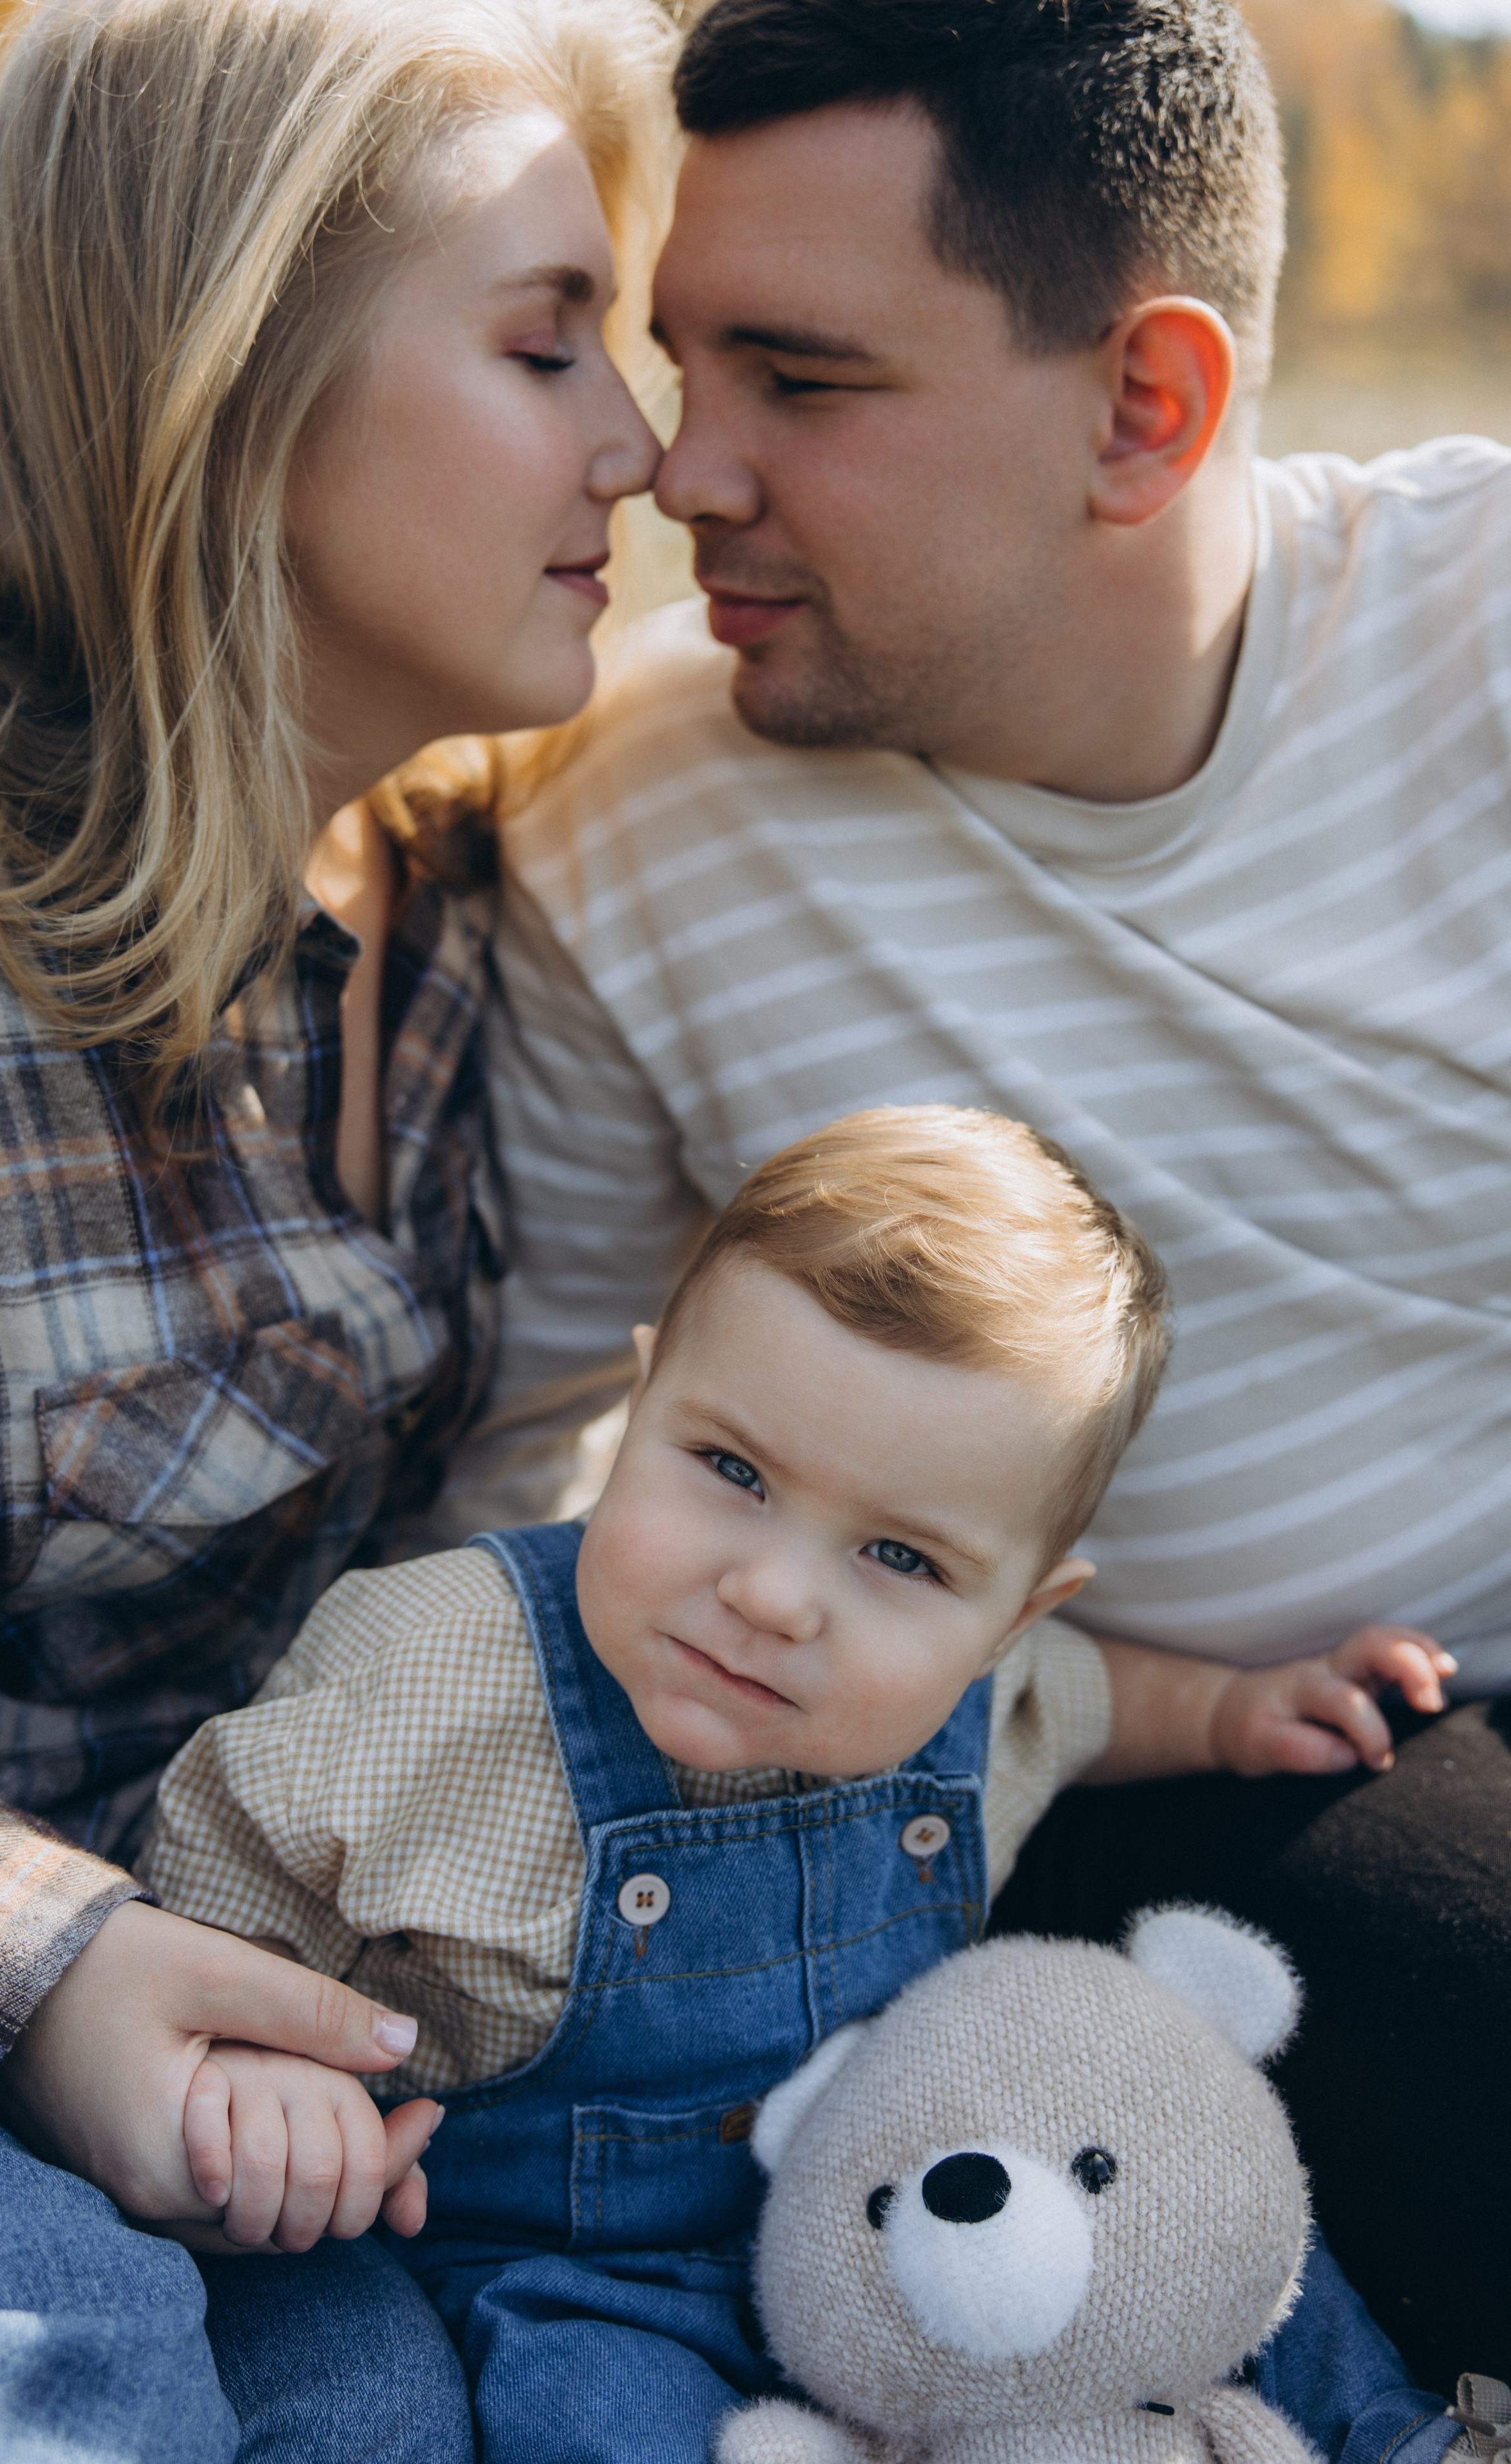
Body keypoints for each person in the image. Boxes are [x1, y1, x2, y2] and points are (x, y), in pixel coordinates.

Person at [427, 0, 1511, 2391]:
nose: (678, 476)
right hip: (1138, 1782)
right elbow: (512, 1460)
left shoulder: (1478, 644)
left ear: (1149, 406)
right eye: (675, 362)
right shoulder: (643, 829)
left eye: (801, 385)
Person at [0, 0, 664, 2451]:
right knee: (57, 2384)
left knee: (400, 2417)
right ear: (229, 372)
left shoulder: (458, 899)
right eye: (548, 343)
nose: (641, 441)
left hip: (223, 2033)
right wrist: (40, 1968)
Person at [144, 1104, 1456, 2464]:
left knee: (1202, 2203)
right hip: (551, 2279)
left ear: (1011, 1617)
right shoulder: (433, 1672)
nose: (768, 1595)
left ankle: (1398, 2436)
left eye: (898, 1558)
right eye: (728, 1470)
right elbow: (209, 1896)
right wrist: (253, 2070)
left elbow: (1098, 1701)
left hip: (882, 2225)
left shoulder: (983, 1693)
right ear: (639, 1401)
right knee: (561, 2425)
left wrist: (1240, 1712)